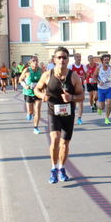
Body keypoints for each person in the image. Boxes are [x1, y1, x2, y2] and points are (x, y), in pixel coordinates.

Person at [34, 47, 85, 183]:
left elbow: (81, 96)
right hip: (53, 112)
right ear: (54, 59)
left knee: (64, 143)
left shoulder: (74, 77)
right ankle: (53, 169)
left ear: (68, 59)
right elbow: (36, 89)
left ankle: (62, 168)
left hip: (68, 114)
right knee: (55, 139)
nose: (62, 60)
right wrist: (42, 95)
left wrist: (72, 98)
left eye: (64, 57)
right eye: (59, 57)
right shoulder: (47, 75)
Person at [19, 56, 43, 134]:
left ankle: (36, 127)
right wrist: (25, 86)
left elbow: (43, 80)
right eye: (33, 61)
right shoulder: (26, 70)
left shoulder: (40, 70)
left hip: (38, 93)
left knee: (38, 110)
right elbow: (20, 79)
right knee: (30, 110)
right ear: (30, 63)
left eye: (36, 60)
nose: (35, 62)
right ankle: (29, 113)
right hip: (28, 93)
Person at [94, 53, 111, 125]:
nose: (107, 61)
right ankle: (98, 107)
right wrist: (98, 82)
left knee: (109, 104)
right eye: (105, 60)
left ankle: (107, 118)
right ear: (102, 61)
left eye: (108, 60)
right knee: (102, 107)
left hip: (109, 88)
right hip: (101, 89)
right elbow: (94, 76)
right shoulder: (98, 68)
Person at [68, 53, 87, 125]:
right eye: (77, 57)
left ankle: (79, 118)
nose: (79, 58)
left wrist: (83, 78)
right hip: (73, 87)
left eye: (80, 57)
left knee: (81, 103)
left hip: (81, 86)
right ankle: (72, 116)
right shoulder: (71, 66)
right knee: (74, 103)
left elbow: (86, 75)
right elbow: (68, 76)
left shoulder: (83, 66)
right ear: (74, 58)